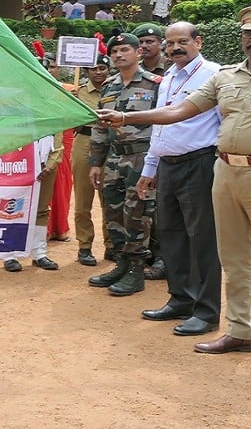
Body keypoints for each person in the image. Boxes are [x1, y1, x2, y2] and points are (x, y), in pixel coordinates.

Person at [97, 5, 251, 373]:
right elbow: (178, 112)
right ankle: (240, 332)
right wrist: (126, 116)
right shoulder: (225, 78)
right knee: (233, 259)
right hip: (225, 172)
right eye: (249, 34)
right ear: (241, 38)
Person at [137, 21, 222, 336]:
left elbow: (225, 124)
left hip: (200, 164)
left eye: (182, 42)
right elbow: (159, 128)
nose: (175, 48)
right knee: (171, 235)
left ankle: (207, 311)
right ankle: (181, 299)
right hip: (168, 167)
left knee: (202, 239)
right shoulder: (169, 77)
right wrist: (150, 168)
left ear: (198, 41)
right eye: (170, 43)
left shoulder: (214, 75)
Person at [87, 33, 160, 297]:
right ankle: (121, 264)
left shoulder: (155, 85)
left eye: (124, 49)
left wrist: (157, 163)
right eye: (114, 51)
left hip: (142, 158)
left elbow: (164, 123)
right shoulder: (109, 86)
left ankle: (136, 271)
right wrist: (96, 162)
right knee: (113, 214)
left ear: (138, 52)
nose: (118, 55)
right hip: (114, 159)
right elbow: (100, 125)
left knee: (138, 214)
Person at [2, 45, 59, 272]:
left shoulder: (53, 104)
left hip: (46, 165)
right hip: (16, 166)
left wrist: (50, 164)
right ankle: (9, 255)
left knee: (42, 209)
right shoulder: (10, 104)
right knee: (11, 208)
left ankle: (40, 253)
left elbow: (59, 138)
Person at [131, 22, 170, 279]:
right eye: (141, 42)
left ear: (160, 44)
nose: (145, 46)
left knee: (159, 208)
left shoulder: (170, 72)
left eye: (150, 42)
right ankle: (140, 254)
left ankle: (163, 258)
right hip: (135, 149)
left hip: (161, 146)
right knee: (139, 205)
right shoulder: (131, 71)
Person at [72, 54, 113, 266]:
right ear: (87, 71)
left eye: (102, 68)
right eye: (93, 69)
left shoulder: (115, 88)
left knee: (110, 198)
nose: (98, 72)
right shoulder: (76, 93)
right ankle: (85, 246)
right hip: (84, 143)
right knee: (83, 198)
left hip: (109, 144)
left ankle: (112, 245)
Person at [44, 56, 74, 243]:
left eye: (53, 66)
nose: (49, 70)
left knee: (62, 180)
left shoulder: (71, 90)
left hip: (63, 136)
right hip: (38, 138)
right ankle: (42, 229)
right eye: (45, 67)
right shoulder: (28, 90)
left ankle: (59, 227)